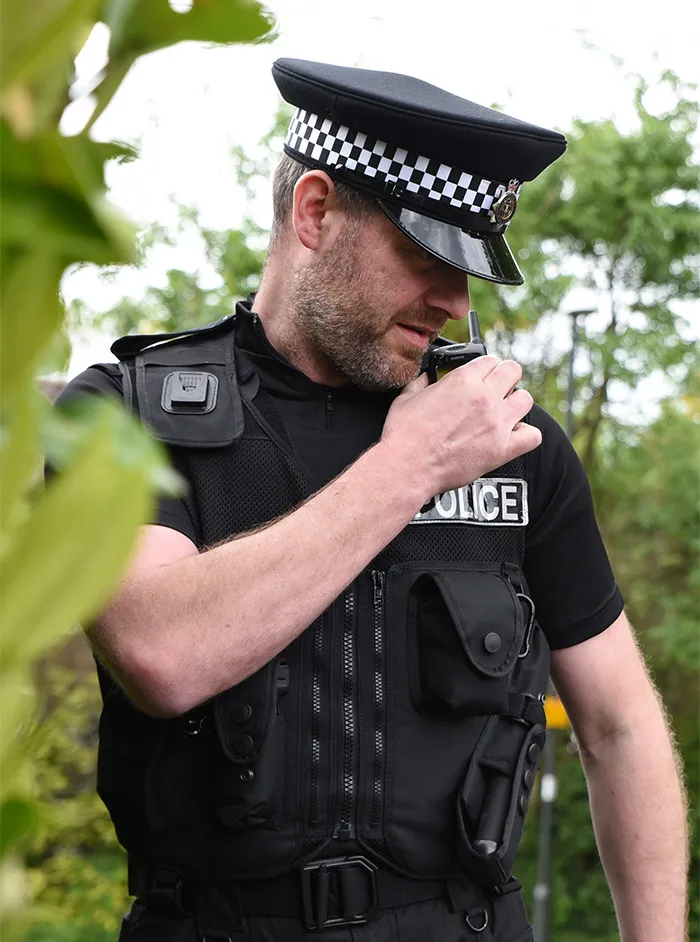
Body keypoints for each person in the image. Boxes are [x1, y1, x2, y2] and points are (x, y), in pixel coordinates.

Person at [55, 59, 688, 942]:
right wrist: (407, 470)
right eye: (428, 254)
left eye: (470, 267)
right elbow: (161, 651)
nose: (457, 302)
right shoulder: (123, 417)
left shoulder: (510, 439)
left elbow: (620, 726)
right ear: (315, 213)